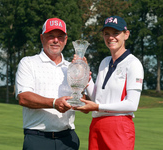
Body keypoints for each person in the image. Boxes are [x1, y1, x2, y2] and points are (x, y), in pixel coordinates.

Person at [74, 16, 144, 150]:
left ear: (126, 34)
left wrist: (97, 107)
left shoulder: (133, 63)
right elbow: (97, 98)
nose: (111, 37)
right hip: (96, 125)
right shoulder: (104, 62)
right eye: (107, 34)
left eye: (116, 33)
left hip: (119, 127)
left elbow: (132, 104)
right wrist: (86, 79)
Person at [15, 18, 80, 150]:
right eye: (51, 36)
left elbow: (81, 99)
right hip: (38, 139)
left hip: (68, 139)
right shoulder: (28, 63)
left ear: (66, 40)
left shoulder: (72, 67)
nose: (56, 40)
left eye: (60, 37)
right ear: (42, 38)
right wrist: (54, 103)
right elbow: (23, 97)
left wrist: (84, 78)